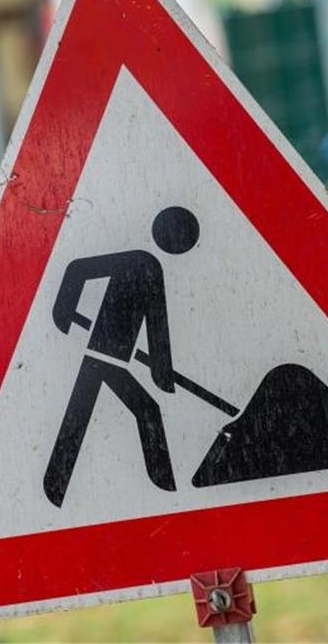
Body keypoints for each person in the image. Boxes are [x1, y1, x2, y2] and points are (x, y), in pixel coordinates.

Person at [43, 206, 200, 507]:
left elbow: (157, 325)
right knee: (143, 412)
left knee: (83, 415)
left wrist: (162, 371)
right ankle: (167, 493)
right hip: (101, 357)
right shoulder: (139, 261)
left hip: (112, 359)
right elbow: (77, 270)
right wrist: (63, 311)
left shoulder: (151, 267)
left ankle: (54, 487)